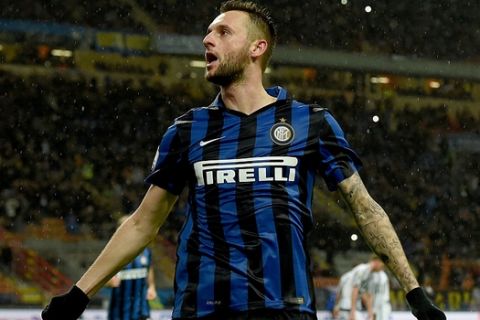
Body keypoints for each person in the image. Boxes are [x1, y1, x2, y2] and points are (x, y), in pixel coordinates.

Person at [41, 1, 446, 320]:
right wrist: (78, 295)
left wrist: (414, 294)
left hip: (286, 307)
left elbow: (365, 209)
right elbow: (143, 223)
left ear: (257, 48)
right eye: (207, 32)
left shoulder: (310, 123)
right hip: (202, 308)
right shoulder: (186, 130)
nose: (207, 39)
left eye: (222, 31)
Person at [105, 216, 157, 320]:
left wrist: (151, 286)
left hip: (141, 306)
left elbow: (149, 268)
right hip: (120, 307)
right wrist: (109, 281)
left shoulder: (145, 250)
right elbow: (104, 277)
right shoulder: (113, 252)